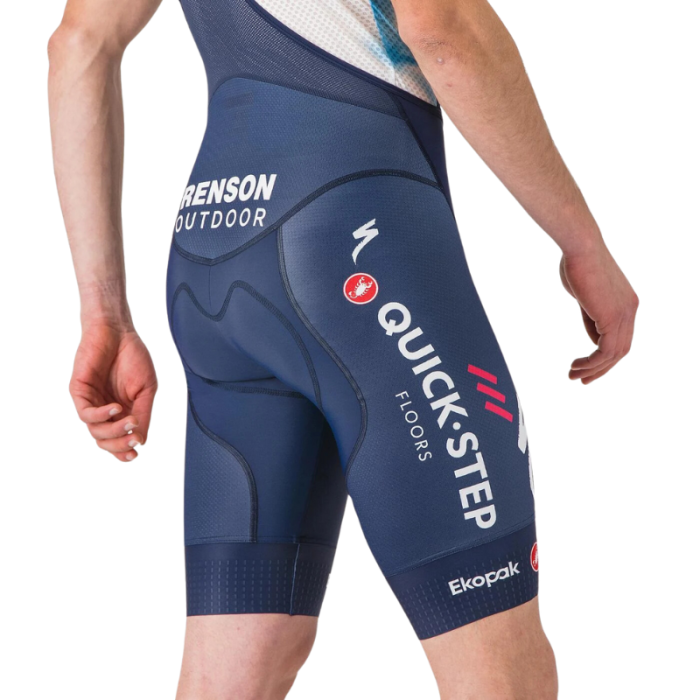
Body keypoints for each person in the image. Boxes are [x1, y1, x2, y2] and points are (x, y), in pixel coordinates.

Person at [48, 0, 638, 698]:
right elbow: (442, 28)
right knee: (500, 672)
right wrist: (581, 243)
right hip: (354, 237)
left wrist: (104, 311)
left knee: (235, 669)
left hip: (214, 255)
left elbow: (79, 43)